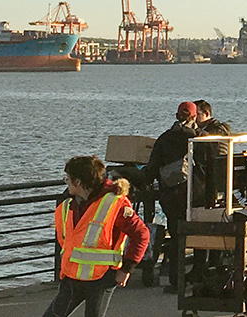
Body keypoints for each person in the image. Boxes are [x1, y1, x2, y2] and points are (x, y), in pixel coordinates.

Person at [43, 156, 150, 317]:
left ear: (78, 182)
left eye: (68, 179)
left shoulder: (115, 203)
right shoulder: (69, 203)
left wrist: (126, 269)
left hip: (102, 278)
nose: (66, 182)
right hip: (73, 277)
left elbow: (141, 234)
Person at [145, 101, 198, 289]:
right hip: (194, 195)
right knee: (200, 235)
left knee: (176, 236)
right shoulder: (198, 138)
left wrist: (147, 182)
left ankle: (175, 280)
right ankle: (197, 275)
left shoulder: (165, 138)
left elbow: (152, 168)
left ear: (177, 116)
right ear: (195, 117)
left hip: (170, 195)